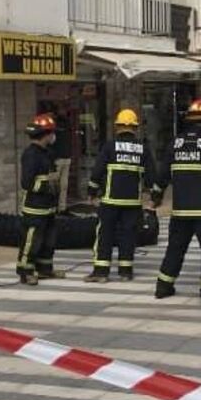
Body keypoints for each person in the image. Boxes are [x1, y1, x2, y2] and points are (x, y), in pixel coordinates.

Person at [152, 99, 201, 307]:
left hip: (181, 211)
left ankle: (163, 286)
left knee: (175, 248)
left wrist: (157, 195)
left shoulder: (175, 143)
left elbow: (163, 175)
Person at [84, 109, 155, 284]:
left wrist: (92, 192)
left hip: (110, 201)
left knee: (105, 234)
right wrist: (153, 196)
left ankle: (101, 272)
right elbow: (151, 176)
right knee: (128, 235)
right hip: (132, 202)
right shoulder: (142, 149)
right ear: (135, 128)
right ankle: (126, 271)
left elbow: (98, 171)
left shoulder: (109, 146)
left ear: (117, 127)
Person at [17, 114, 65, 285]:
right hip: (35, 207)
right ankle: (25, 271)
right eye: (51, 133)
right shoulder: (31, 154)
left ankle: (45, 269)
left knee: (49, 240)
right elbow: (27, 183)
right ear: (45, 134)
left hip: (48, 206)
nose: (53, 136)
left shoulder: (47, 153)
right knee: (32, 241)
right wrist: (46, 186)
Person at [51, 107, 73, 213]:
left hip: (66, 157)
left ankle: (62, 208)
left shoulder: (67, 123)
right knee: (54, 185)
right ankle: (53, 207)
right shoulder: (54, 124)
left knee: (64, 185)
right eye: (61, 109)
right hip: (57, 158)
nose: (63, 111)